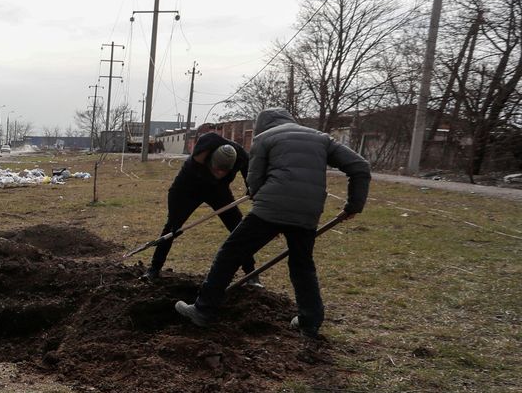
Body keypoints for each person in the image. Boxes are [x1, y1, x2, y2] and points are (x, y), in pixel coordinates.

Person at [175, 108, 370, 339]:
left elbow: (254, 181)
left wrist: (267, 214)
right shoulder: (321, 138)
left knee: (230, 253)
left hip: (271, 207)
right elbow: (360, 167)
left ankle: (203, 310)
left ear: (261, 126)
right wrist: (354, 205)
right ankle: (310, 323)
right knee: (302, 266)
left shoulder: (264, 138)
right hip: (308, 212)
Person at [143, 134, 258, 284]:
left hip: (218, 192)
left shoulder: (240, 157)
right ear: (209, 161)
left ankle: (251, 274)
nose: (220, 174)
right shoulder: (200, 155)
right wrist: (175, 217)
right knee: (172, 228)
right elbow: (176, 192)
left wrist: (251, 186)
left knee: (238, 228)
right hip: (188, 190)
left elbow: (250, 172)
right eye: (217, 170)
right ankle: (154, 269)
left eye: (225, 172)